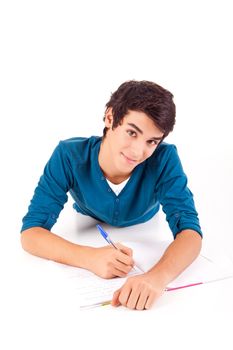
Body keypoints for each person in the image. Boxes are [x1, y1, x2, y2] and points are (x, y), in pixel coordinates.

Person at [20, 80, 202, 310]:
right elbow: (30, 233)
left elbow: (191, 233)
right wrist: (89, 258)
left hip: (146, 225)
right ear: (109, 117)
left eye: (151, 141)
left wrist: (156, 278)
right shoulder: (68, 155)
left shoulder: (165, 159)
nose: (138, 152)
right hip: (86, 222)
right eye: (131, 132)